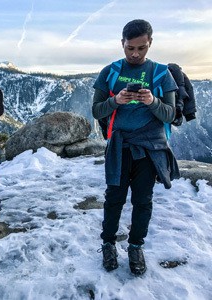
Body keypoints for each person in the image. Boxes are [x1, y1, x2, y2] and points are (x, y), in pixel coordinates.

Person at [92, 19, 180, 275]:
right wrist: (116, 100)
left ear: (150, 43)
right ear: (122, 43)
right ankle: (108, 243)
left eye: (141, 48)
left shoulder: (162, 73)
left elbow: (170, 115)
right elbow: (97, 110)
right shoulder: (110, 71)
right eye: (130, 47)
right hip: (120, 146)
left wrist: (152, 101)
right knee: (114, 199)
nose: (135, 53)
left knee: (143, 200)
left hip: (150, 149)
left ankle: (135, 246)